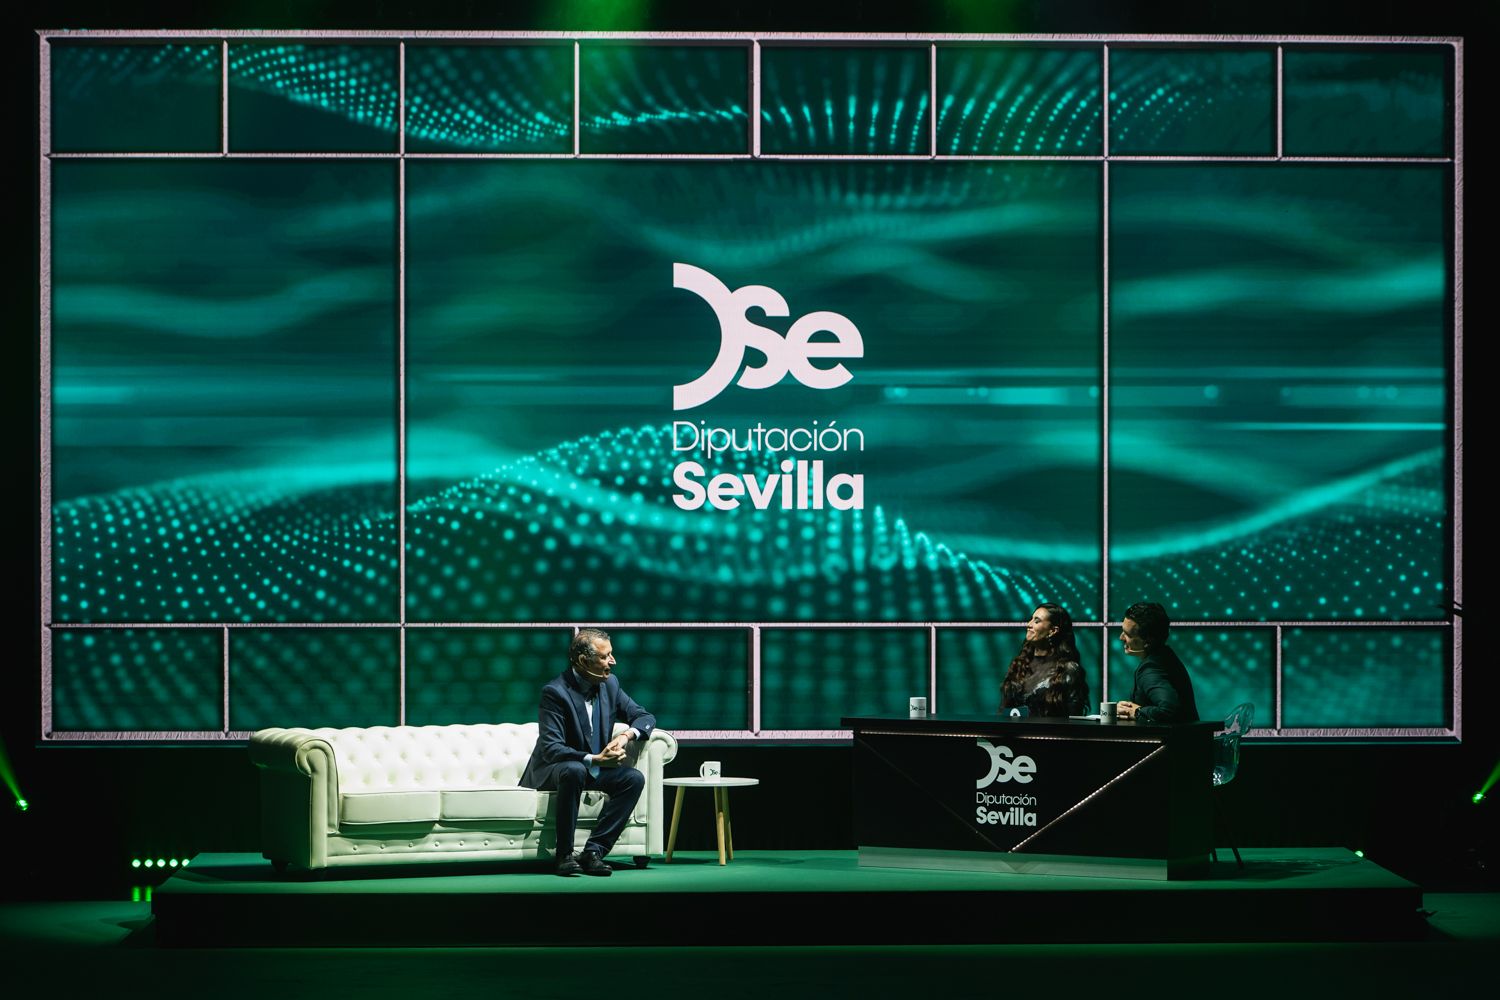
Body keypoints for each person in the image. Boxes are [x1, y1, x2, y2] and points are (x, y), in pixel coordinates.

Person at [520, 628, 655, 877]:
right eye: (605, 657)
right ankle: (564, 855)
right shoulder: (555, 692)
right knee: (574, 770)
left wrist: (626, 736)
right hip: (554, 770)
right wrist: (594, 759)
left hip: (591, 770)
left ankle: (594, 852)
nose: (612, 662)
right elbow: (552, 748)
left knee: (633, 779)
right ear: (583, 660)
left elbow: (644, 717)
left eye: (611, 655)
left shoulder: (610, 685)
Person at [1114, 601, 1199, 724]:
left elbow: (1169, 710)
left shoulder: (1150, 669)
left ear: (1147, 641)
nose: (1121, 637)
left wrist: (1137, 712)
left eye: (1127, 634)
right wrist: (1129, 708)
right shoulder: (1165, 656)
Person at [1000, 603, 1090, 717]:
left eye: (1036, 621)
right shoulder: (1020, 664)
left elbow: (1075, 718)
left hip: (1050, 734)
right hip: (1014, 734)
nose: (1029, 624)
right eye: (1031, 619)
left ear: (1053, 630)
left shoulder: (1069, 669)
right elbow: (1005, 710)